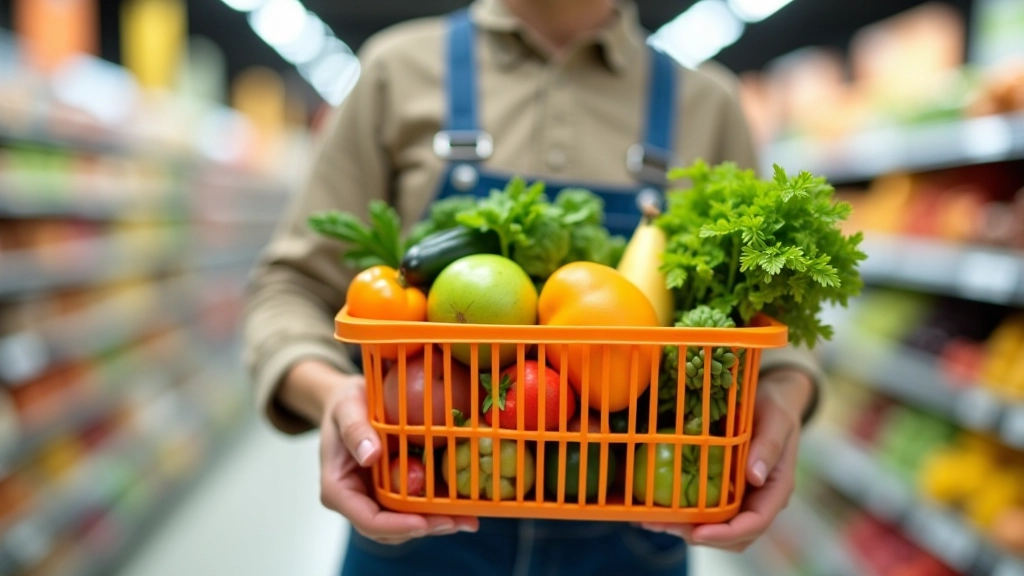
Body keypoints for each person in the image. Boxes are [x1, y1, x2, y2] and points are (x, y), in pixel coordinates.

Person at [243, 0, 823, 574]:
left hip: (633, 521)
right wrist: (330, 397)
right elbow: (289, 286)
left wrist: (782, 398)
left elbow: (770, 314)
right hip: (418, 513)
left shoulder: (710, 104)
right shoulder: (397, 70)